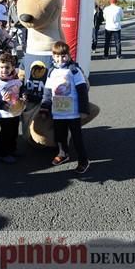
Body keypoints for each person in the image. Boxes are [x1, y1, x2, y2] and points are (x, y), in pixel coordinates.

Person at [40, 40, 90, 174]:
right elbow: (47, 91)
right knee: (60, 136)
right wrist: (45, 107)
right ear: (53, 56)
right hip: (58, 111)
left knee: (77, 137)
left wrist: (83, 109)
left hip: (72, 112)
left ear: (68, 55)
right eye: (57, 56)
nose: (60, 59)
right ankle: (63, 154)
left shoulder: (74, 70)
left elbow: (82, 90)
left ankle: (83, 160)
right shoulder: (51, 72)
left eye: (63, 56)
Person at [0, 52, 25, 164]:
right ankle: (3, 154)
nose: (4, 70)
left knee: (14, 132)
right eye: (2, 67)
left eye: (7, 67)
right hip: (4, 114)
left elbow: (22, 88)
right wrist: (2, 104)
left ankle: (12, 150)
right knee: (6, 133)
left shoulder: (16, 79)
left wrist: (24, 94)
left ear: (13, 67)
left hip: (16, 112)